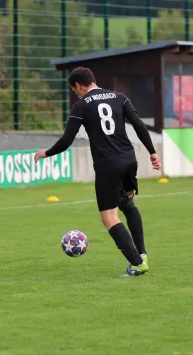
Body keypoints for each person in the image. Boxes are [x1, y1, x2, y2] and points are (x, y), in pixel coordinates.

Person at [33, 67, 161, 276]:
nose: (77, 94)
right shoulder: (120, 97)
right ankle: (142, 253)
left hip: (108, 165)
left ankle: (137, 263)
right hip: (129, 160)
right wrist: (152, 152)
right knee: (127, 203)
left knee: (109, 217)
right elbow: (138, 125)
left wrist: (46, 153)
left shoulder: (81, 105)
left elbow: (67, 140)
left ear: (78, 86)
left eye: (75, 91)